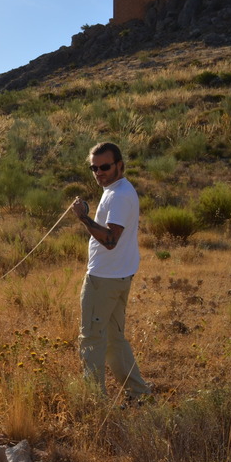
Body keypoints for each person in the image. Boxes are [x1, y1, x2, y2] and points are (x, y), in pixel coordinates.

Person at [70, 142, 152, 403]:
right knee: (115, 340)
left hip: (104, 280)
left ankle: (96, 403)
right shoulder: (117, 190)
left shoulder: (118, 195)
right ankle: (139, 395)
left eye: (105, 167)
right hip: (118, 276)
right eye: (94, 168)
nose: (99, 172)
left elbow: (110, 240)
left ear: (120, 165)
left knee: (92, 340)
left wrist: (83, 218)